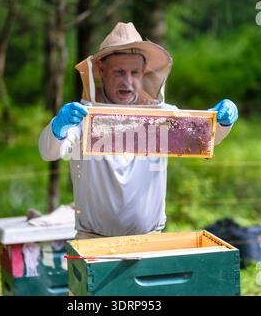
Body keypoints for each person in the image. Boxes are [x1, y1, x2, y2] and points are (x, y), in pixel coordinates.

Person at [39, 22, 238, 239]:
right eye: (119, 72)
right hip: (92, 240)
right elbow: (48, 152)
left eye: (134, 72)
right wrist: (58, 127)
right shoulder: (83, 116)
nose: (128, 81)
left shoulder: (162, 116)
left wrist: (222, 122)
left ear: (143, 73)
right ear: (101, 71)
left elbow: (203, 139)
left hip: (149, 239)